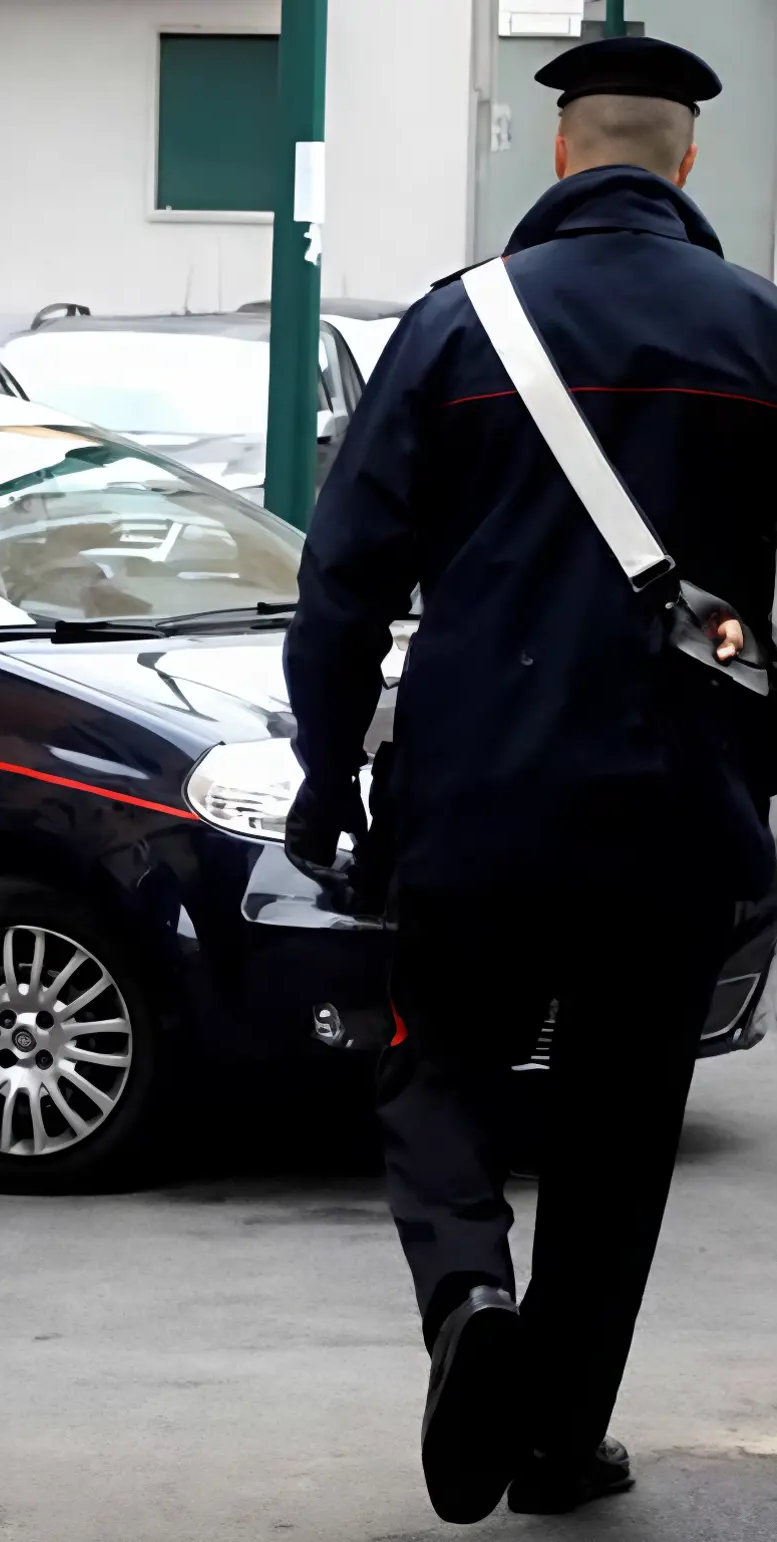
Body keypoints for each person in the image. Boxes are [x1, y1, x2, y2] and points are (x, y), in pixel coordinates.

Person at [281, 35, 777, 1526]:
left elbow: (342, 583)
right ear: (682, 163)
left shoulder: (454, 330)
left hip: (480, 802)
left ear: (561, 155)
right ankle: (560, 1440)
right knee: (623, 1131)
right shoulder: (759, 332)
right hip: (680, 818)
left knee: (434, 1071)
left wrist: (325, 773)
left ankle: (467, 1298)